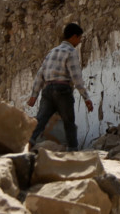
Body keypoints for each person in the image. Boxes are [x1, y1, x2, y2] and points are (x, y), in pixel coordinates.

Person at [27, 22, 93, 151]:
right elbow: (76, 77)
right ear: (74, 37)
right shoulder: (71, 51)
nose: (79, 42)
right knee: (69, 123)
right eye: (79, 38)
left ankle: (28, 144)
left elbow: (40, 73)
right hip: (62, 90)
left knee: (40, 120)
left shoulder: (52, 52)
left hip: (47, 90)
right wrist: (86, 98)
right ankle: (73, 152)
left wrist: (34, 95)